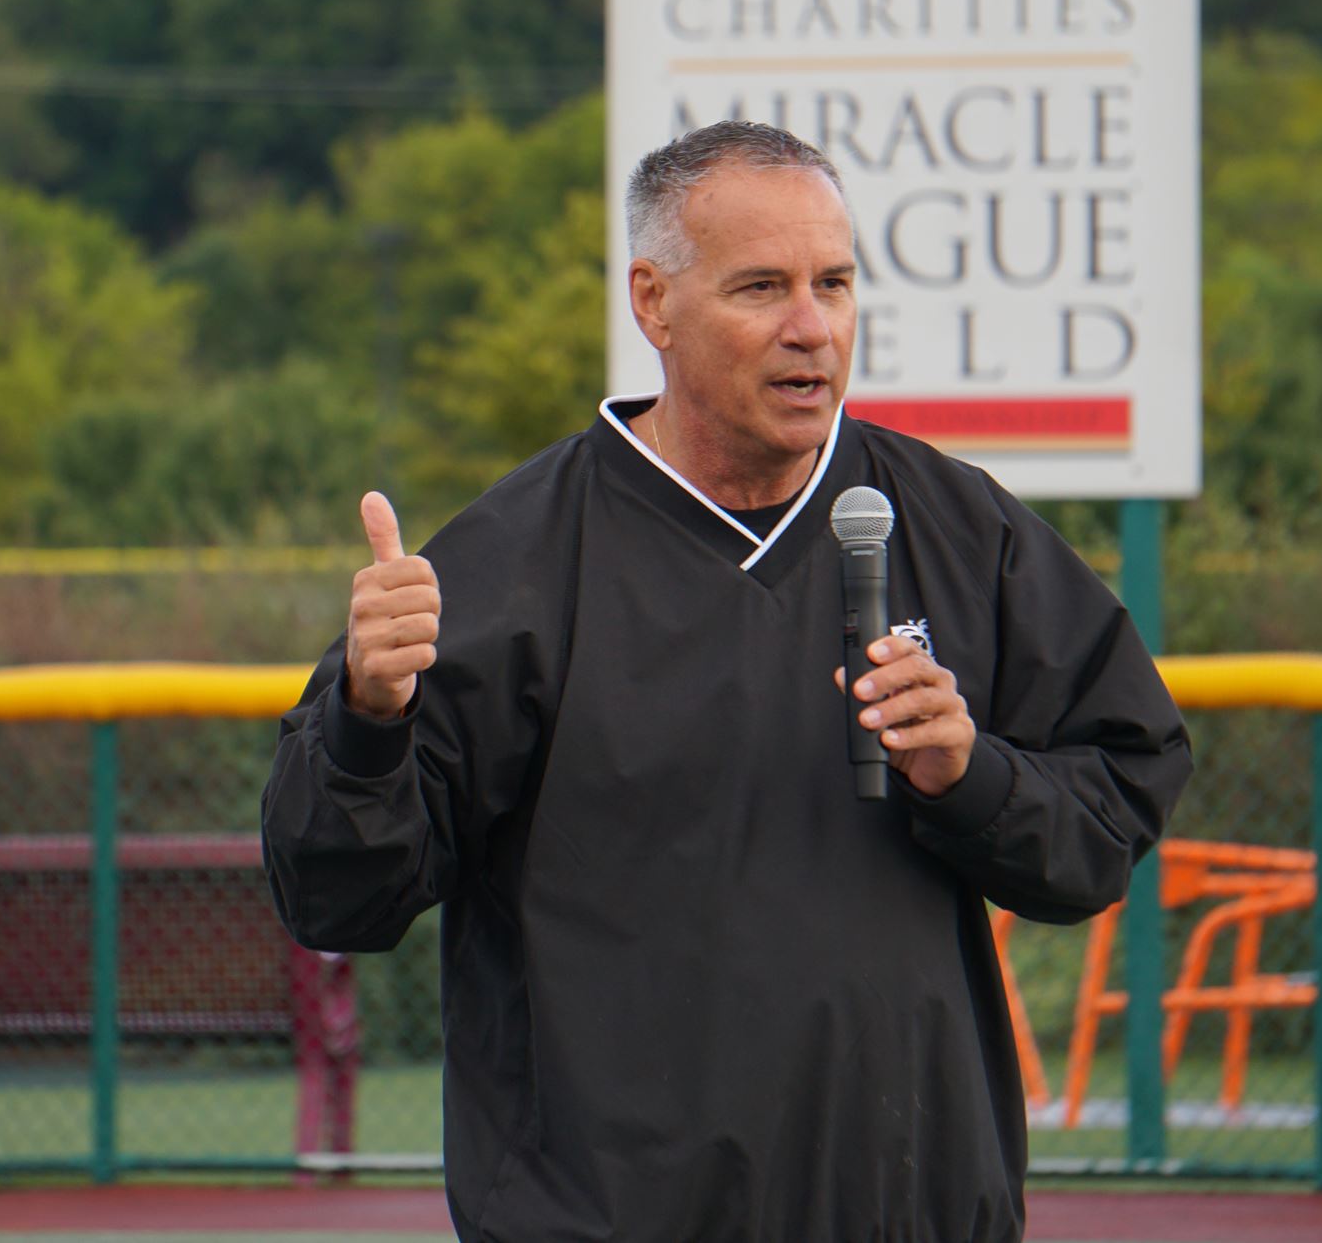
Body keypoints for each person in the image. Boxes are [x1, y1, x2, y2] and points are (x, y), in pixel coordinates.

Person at [261, 120, 1193, 1241]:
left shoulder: (957, 526)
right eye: (761, 287)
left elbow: (1111, 808)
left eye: (833, 282)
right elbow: (338, 897)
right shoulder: (506, 563)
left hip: (908, 1208)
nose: (811, 327)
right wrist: (367, 718)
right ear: (653, 303)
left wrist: (970, 776)